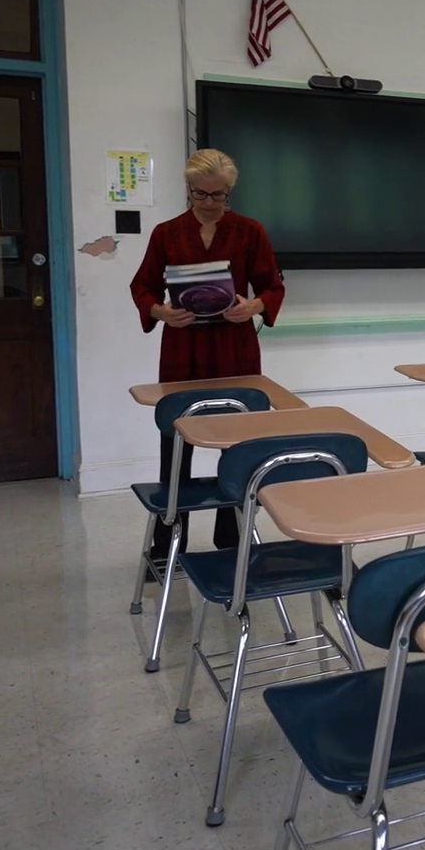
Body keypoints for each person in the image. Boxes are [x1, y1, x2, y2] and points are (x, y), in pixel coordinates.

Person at [130, 148, 284, 560]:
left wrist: (253, 307)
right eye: (201, 194)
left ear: (229, 192)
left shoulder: (250, 231)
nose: (210, 203)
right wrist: (162, 312)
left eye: (219, 195)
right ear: (188, 189)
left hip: (235, 351)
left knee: (237, 447)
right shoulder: (166, 233)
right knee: (176, 445)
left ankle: (230, 543)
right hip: (183, 350)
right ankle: (167, 546)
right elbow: (142, 287)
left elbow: (272, 287)